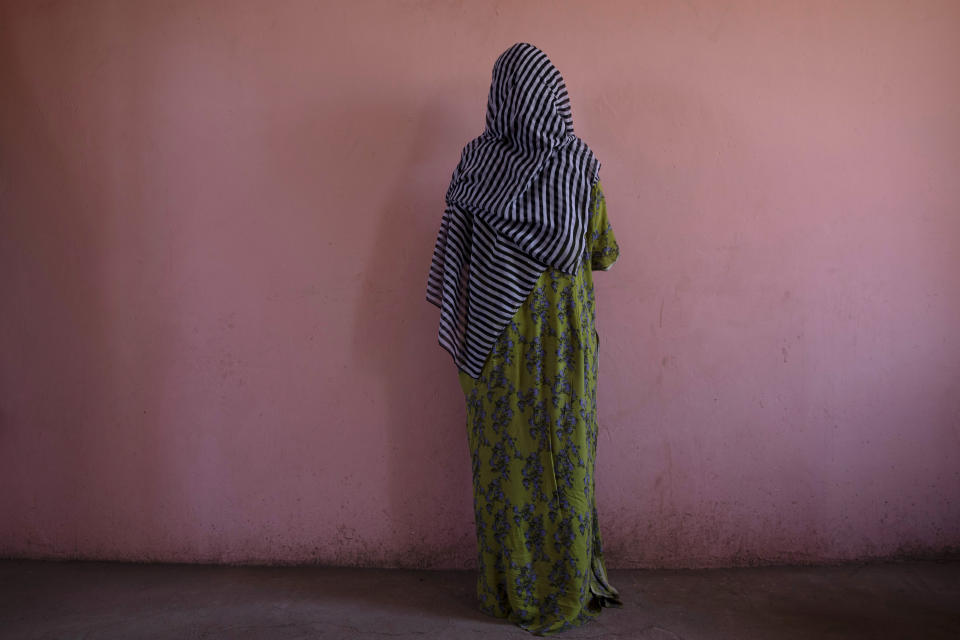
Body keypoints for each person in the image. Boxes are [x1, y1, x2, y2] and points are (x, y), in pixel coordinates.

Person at [426, 42, 622, 636]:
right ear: (554, 96)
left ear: (501, 98)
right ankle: (567, 581)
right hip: (562, 346)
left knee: (503, 465)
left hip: (492, 345)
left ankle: (507, 589)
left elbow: (452, 254)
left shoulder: (475, 163)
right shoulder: (576, 163)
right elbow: (602, 249)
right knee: (566, 458)